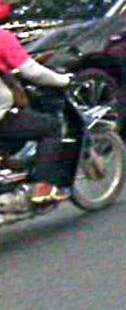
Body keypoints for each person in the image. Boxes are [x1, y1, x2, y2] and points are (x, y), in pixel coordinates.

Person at [0, 22, 73, 206]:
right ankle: (42, 187)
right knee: (51, 127)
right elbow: (31, 71)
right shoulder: (2, 37)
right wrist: (63, 80)